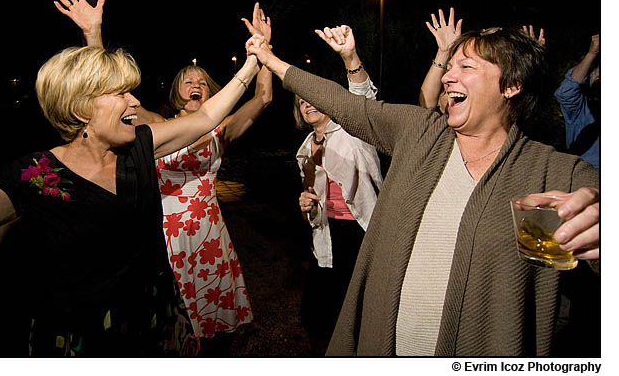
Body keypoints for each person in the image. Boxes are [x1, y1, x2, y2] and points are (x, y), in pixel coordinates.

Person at [246, 26, 599, 356]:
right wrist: (270, 58)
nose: (447, 75)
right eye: (450, 65)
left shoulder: (557, 172)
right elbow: (342, 102)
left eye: (466, 66)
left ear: (512, 85)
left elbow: (595, 212)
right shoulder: (418, 132)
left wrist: (599, 227)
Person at [0, 42, 261, 356]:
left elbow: (206, 117)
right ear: (81, 108)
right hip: (86, 340)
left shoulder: (139, 147)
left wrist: (252, 62)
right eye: (120, 93)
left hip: (157, 322)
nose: (135, 102)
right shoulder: (35, 174)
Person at [52, 0, 272, 341]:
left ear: (211, 89)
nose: (194, 83)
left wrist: (264, 52)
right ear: (176, 90)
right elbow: (110, 95)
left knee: (211, 321)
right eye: (187, 80)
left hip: (208, 230)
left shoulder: (223, 129)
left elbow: (263, 97)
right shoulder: (155, 126)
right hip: (163, 229)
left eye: (201, 79)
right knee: (168, 320)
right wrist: (94, 35)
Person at [295, 25, 383, 353]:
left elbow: (363, 100)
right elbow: (310, 199)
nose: (307, 104)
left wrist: (350, 57)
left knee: (361, 311)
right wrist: (306, 204)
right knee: (320, 316)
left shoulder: (353, 129)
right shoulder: (304, 149)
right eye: (302, 101)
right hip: (326, 233)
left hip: (361, 230)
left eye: (313, 98)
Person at [554, 33, 600, 170]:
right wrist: (592, 53)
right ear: (597, 81)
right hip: (588, 177)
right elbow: (566, 91)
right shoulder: (581, 108)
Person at [420, 7, 463, 113]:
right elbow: (426, 105)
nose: (446, 80)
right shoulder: (439, 125)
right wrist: (443, 53)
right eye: (444, 92)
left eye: (467, 67)